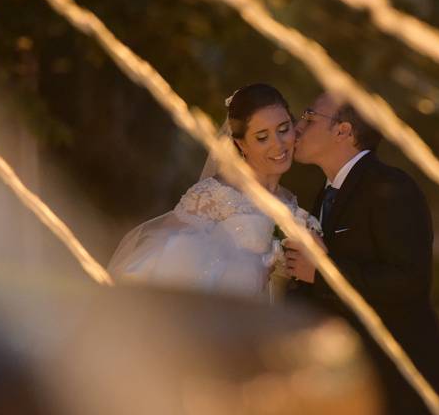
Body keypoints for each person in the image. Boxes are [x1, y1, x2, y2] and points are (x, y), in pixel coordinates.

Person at [283, 93, 439, 415]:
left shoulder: (392, 188)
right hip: (357, 377)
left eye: (309, 117)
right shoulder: (325, 194)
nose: (298, 127)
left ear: (343, 131)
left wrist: (324, 271)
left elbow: (411, 283)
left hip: (398, 380)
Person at [108, 83, 298, 300]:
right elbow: (166, 259)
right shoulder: (214, 194)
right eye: (262, 137)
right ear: (241, 144)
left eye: (284, 129)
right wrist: (249, 274)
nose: (279, 144)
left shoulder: (289, 201)